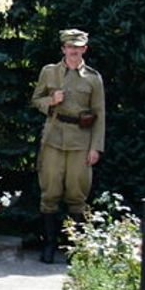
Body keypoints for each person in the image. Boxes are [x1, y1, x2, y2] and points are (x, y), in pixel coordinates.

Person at [31, 28, 105, 264]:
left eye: (78, 47)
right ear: (63, 49)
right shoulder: (49, 72)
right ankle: (49, 245)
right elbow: (36, 99)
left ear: (85, 49)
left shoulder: (93, 78)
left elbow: (100, 114)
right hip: (53, 138)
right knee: (50, 192)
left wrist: (96, 147)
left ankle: (76, 249)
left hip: (81, 141)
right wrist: (51, 101)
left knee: (77, 193)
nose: (74, 51)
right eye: (70, 47)